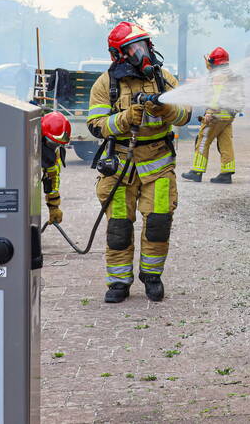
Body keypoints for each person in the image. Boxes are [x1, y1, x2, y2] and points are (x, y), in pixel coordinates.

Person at [86, 22, 191, 304]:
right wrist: (123, 120)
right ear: (119, 54)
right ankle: (119, 282)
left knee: (158, 223)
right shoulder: (105, 85)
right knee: (119, 228)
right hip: (120, 167)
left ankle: (152, 277)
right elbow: (95, 126)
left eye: (144, 45)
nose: (143, 53)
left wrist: (166, 108)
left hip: (157, 164)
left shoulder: (163, 78)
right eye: (135, 48)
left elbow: (185, 116)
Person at [0, 111, 71, 226]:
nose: (54, 148)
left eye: (58, 145)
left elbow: (52, 178)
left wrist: (54, 207)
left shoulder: (53, 153)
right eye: (52, 144)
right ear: (41, 134)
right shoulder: (13, 134)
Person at [182, 46, 243, 184]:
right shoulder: (231, 75)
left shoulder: (218, 77)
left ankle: (196, 171)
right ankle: (226, 173)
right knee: (225, 142)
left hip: (215, 116)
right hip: (228, 116)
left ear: (215, 62)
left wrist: (209, 112)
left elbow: (216, 96)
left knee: (203, 140)